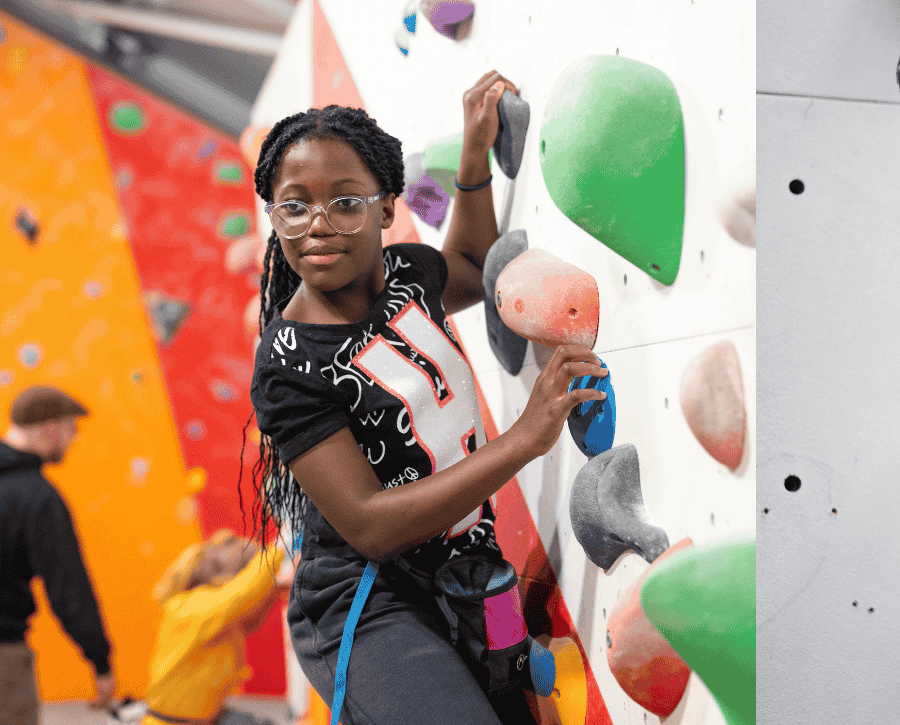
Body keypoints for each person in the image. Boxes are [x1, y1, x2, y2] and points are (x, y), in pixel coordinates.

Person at [247, 71, 603, 725]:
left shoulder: (406, 272)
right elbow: (370, 524)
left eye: (345, 202)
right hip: (367, 599)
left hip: (469, 573)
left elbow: (468, 263)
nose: (317, 225)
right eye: (293, 206)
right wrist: (524, 439)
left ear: (385, 208)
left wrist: (474, 159)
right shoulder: (286, 363)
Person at [0, 385, 115, 724]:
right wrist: (100, 661)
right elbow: (69, 589)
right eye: (72, 429)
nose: (73, 439)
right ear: (50, 429)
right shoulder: (38, 497)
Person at [140, 530, 289, 725]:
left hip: (203, 718)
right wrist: (282, 545)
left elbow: (249, 623)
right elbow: (242, 595)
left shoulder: (217, 616)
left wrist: (274, 590)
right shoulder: (190, 607)